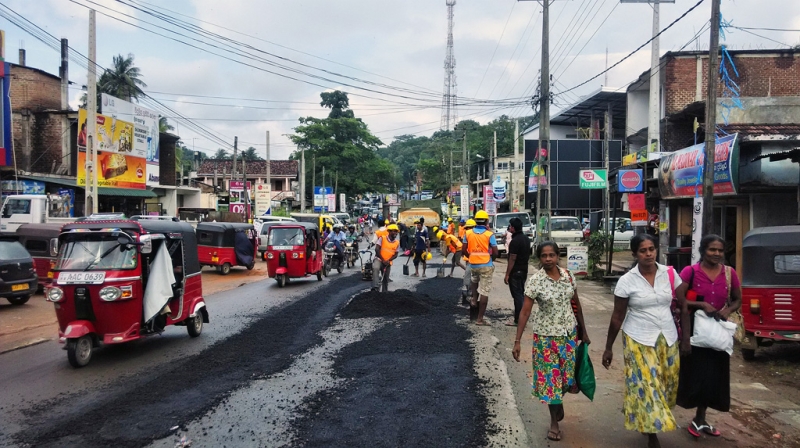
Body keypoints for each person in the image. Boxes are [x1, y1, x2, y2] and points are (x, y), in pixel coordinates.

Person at [602, 234, 689, 448]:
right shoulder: (627, 281)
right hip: (637, 338)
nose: (649, 253)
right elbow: (617, 316)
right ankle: (652, 434)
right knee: (647, 384)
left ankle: (646, 417)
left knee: (667, 384)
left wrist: (686, 339)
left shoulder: (669, 274)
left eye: (651, 249)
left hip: (667, 337)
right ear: (635, 254)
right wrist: (608, 348)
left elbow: (684, 306)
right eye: (643, 250)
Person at [512, 241, 590, 442]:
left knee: (565, 379)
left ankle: (558, 402)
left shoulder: (568, 277)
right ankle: (554, 422)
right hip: (545, 339)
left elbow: (576, 305)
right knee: (551, 382)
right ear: (539, 258)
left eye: (552, 255)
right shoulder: (536, 281)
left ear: (557, 256)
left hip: (568, 336)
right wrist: (517, 340)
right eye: (544, 256)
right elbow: (525, 311)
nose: (548, 259)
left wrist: (584, 331)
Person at [675, 234, 741, 438]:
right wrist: (701, 304)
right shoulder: (690, 272)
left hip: (718, 331)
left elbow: (738, 300)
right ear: (703, 251)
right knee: (694, 374)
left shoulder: (729, 273)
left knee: (714, 376)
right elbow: (679, 300)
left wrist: (728, 310)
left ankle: (701, 418)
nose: (717, 254)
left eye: (720, 250)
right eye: (712, 249)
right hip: (694, 329)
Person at [463, 210, 498, 325]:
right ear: (487, 221)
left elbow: (464, 250)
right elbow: (496, 251)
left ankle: (473, 298)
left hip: (473, 264)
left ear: (475, 221)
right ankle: (479, 319)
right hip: (486, 264)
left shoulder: (467, 234)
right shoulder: (489, 234)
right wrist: (491, 259)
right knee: (484, 292)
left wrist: (472, 257)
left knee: (474, 280)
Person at [504, 217, 531, 326]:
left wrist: (507, 274)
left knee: (517, 296)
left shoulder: (515, 241)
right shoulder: (525, 239)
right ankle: (522, 317)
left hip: (515, 272)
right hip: (524, 270)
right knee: (520, 294)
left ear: (513, 228)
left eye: (510, 226)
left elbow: (512, 258)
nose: (509, 227)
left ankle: (518, 320)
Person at [373, 224, 400, 292]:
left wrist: (388, 260)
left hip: (388, 262)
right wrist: (383, 260)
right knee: (375, 268)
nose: (395, 233)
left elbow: (396, 254)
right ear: (389, 232)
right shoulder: (382, 238)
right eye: (394, 231)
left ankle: (384, 293)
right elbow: (377, 249)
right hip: (379, 259)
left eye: (396, 231)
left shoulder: (397, 243)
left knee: (386, 278)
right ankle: (376, 287)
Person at [460, 219, 476, 305]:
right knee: (468, 278)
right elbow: (464, 249)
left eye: (469, 228)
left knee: (473, 278)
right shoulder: (467, 235)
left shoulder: (475, 235)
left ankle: (472, 294)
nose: (467, 230)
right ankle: (469, 294)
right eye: (467, 228)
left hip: (476, 260)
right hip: (470, 259)